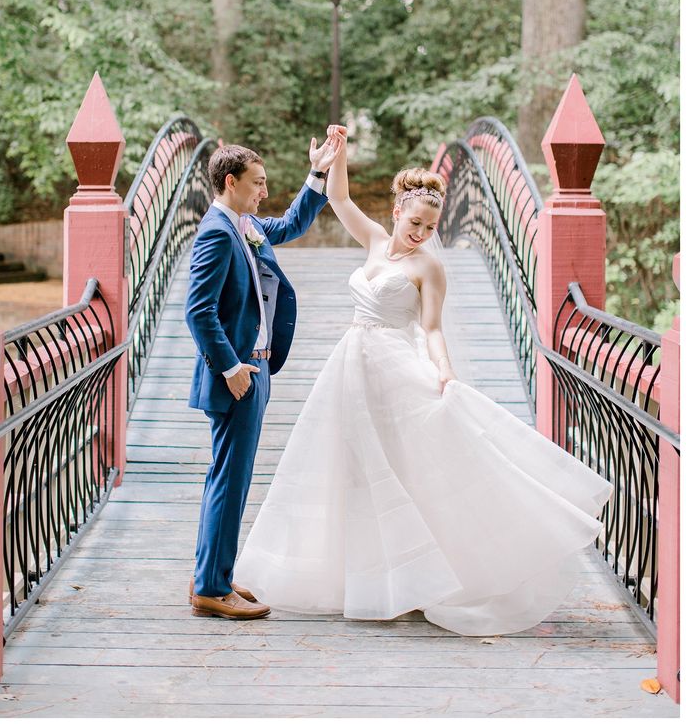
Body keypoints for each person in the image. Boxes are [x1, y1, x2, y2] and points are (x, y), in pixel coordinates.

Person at [234, 127, 614, 635]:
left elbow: (431, 328)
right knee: (347, 468)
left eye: (429, 227)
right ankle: (365, 577)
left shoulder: (429, 268)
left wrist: (445, 370)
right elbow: (339, 197)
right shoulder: (373, 238)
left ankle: (422, 578)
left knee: (402, 468)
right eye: (414, 223)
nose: (420, 233)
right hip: (350, 366)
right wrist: (334, 157)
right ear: (396, 214)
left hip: (394, 366)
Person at [184, 134, 344, 620]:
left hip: (256, 367)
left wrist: (317, 171)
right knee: (230, 479)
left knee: (230, 476)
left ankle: (215, 573)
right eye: (258, 183)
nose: (264, 192)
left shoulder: (244, 224)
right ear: (230, 182)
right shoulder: (216, 232)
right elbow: (199, 310)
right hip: (237, 374)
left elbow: (293, 222)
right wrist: (231, 368)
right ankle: (211, 588)